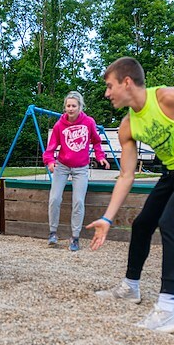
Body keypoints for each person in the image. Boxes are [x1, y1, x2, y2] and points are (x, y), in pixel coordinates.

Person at [86, 57, 174, 334]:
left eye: (109, 86)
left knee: (171, 222)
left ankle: (167, 309)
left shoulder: (169, 98)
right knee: (142, 224)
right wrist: (107, 217)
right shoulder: (128, 125)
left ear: (126, 82)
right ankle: (130, 287)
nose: (107, 93)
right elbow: (126, 175)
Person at [43, 91, 110, 252]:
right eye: (68, 106)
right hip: (62, 166)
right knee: (55, 198)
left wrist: (100, 156)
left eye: (74, 106)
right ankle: (53, 233)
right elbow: (50, 149)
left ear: (80, 107)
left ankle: (75, 237)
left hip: (80, 167)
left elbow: (96, 141)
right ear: (65, 107)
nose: (70, 109)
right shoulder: (59, 125)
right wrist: (50, 161)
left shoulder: (88, 122)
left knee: (78, 201)